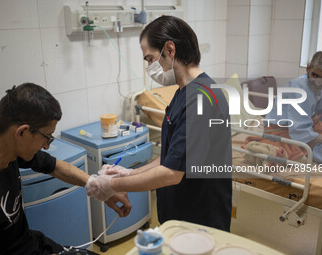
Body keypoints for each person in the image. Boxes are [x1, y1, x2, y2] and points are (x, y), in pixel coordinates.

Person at [86, 16, 233, 231]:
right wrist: (128, 173)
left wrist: (111, 185)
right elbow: (171, 159)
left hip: (200, 220)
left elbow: (171, 173)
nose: (149, 67)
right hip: (181, 215)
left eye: (149, 59)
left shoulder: (201, 99)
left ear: (170, 49)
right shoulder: (183, 93)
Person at [0, 83, 131, 255]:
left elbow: (56, 167)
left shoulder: (11, 151)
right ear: (22, 132)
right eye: (47, 137)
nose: (46, 146)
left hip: (31, 244)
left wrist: (97, 185)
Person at [264, 51, 322, 164]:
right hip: (281, 131)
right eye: (315, 75)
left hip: (306, 126)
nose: (318, 83)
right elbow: (301, 134)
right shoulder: (298, 89)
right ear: (308, 69)